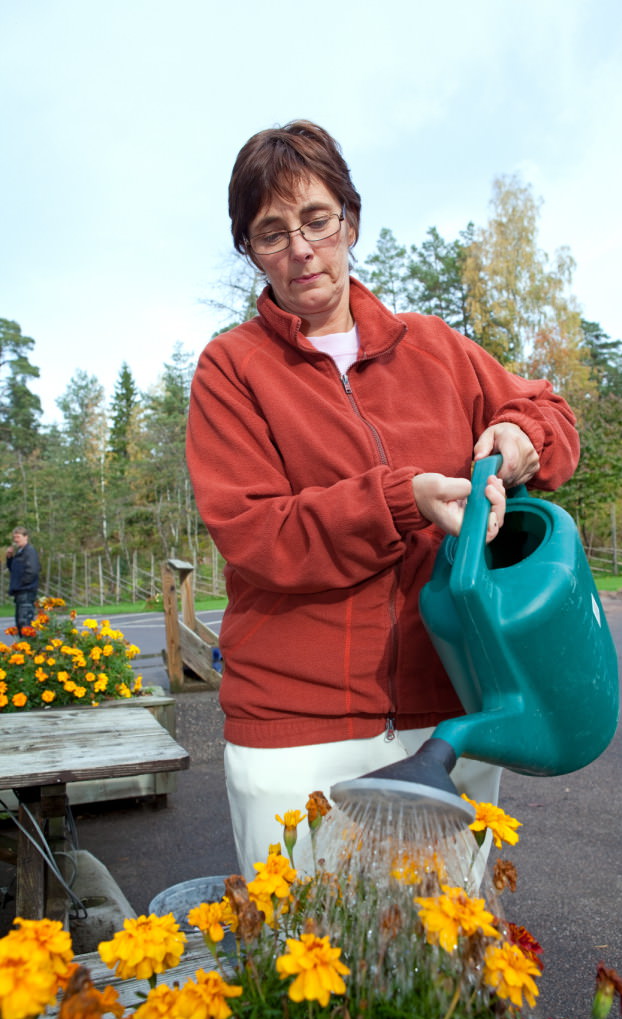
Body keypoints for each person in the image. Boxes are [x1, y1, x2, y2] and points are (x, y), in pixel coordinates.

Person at [186, 120, 580, 876]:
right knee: (302, 968)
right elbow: (256, 532)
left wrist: (520, 435)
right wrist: (401, 499)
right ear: (249, 251)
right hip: (297, 732)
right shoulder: (231, 370)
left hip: (448, 721)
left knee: (443, 970)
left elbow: (551, 414)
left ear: (350, 221)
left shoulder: (434, 345)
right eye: (270, 233)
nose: (299, 249)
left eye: (315, 220)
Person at [5, 526, 41, 634]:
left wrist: (23, 583)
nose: (16, 540)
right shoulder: (20, 552)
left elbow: (33, 570)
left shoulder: (29, 551)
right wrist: (10, 558)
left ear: (26, 537)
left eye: (18, 537)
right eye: (14, 537)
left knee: (25, 622)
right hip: (19, 591)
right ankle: (23, 647)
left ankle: (28, 647)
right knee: (20, 623)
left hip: (26, 591)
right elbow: (13, 570)